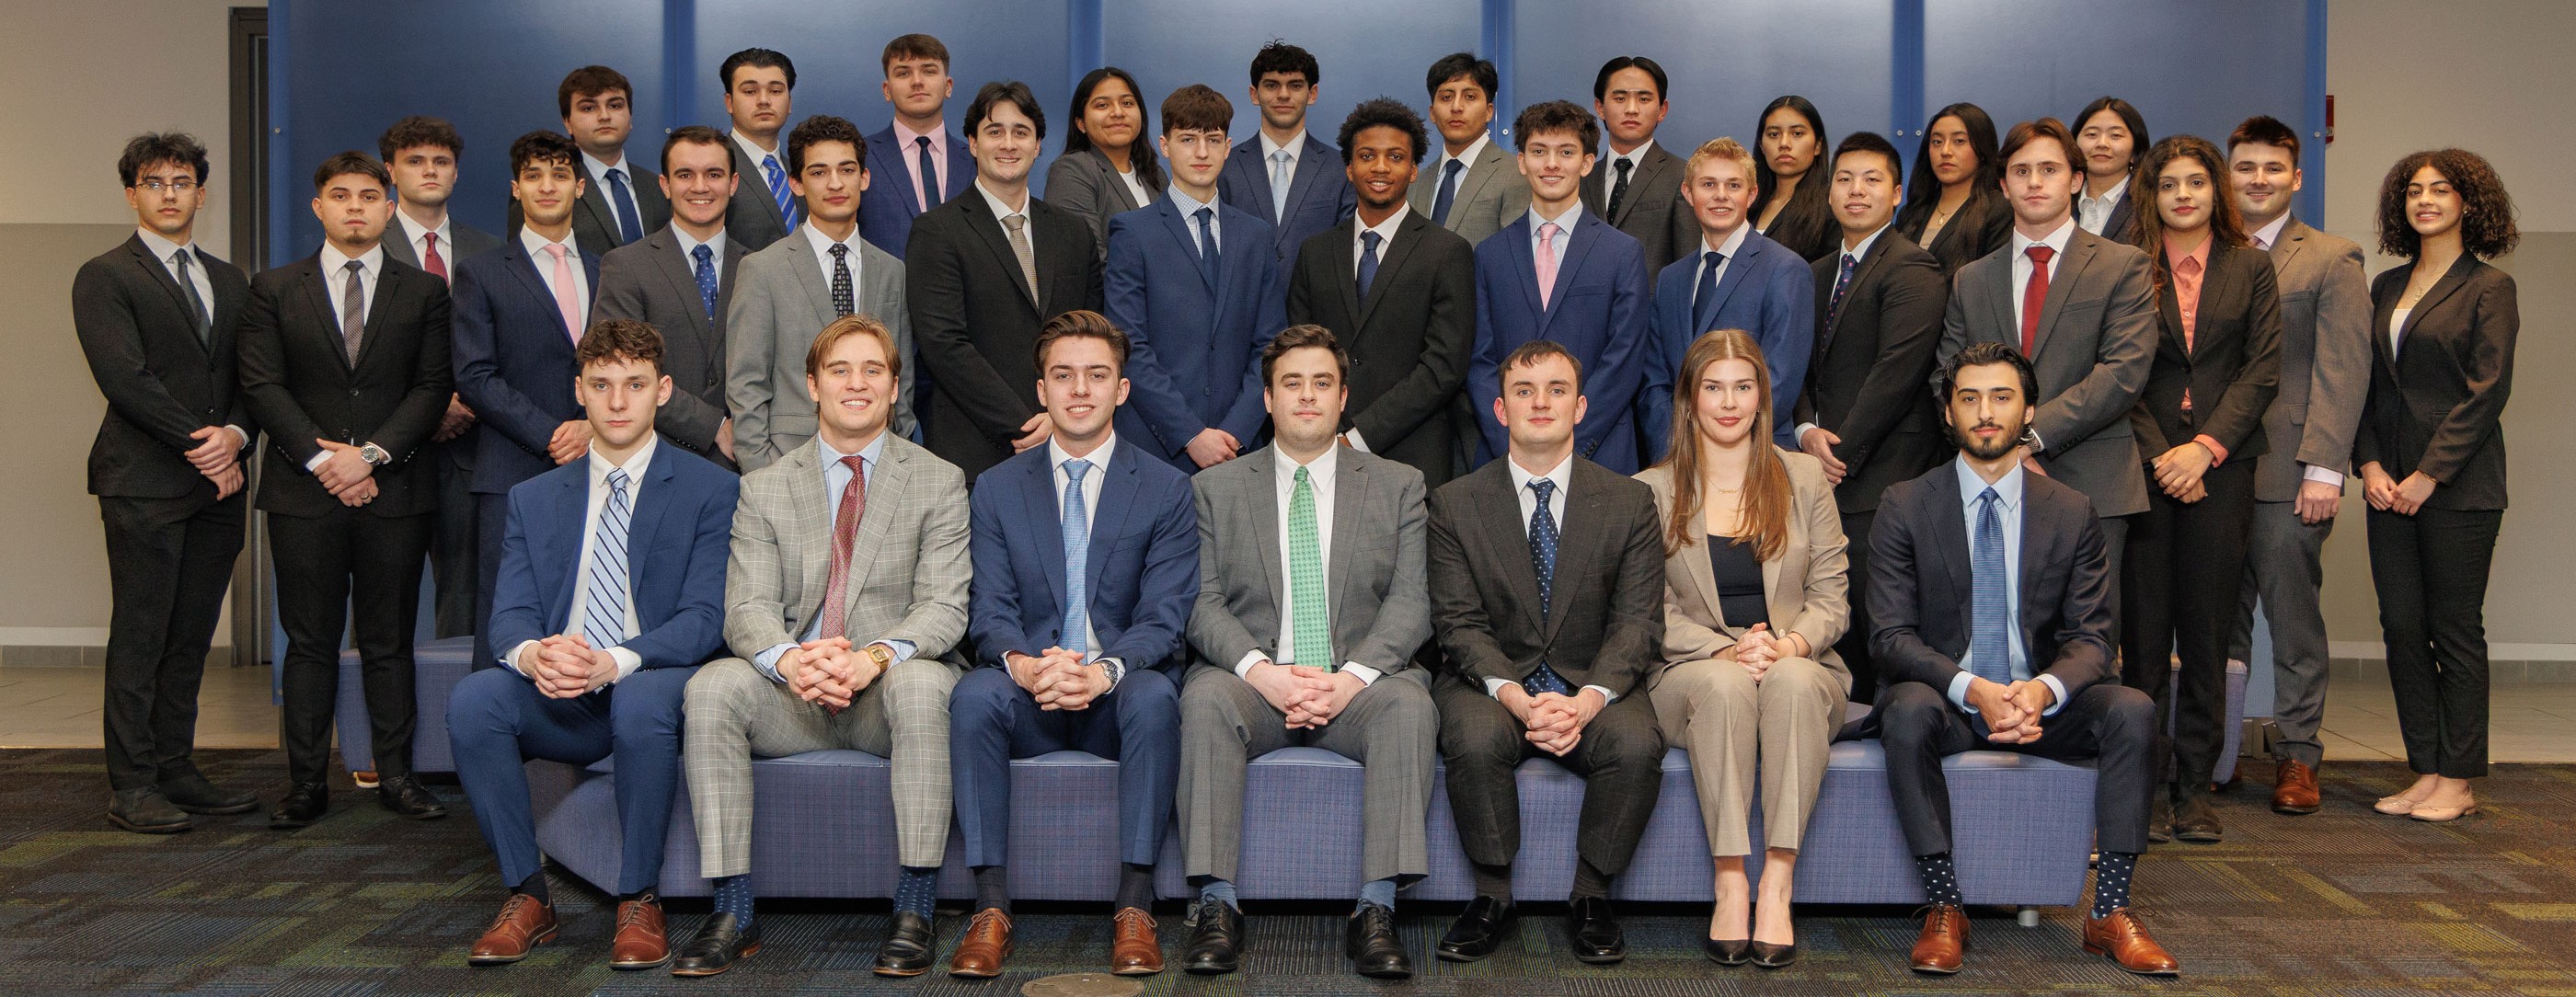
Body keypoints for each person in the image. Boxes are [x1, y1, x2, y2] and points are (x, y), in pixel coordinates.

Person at [673, 315, 972, 978]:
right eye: (839, 370)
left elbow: (945, 607)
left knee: (927, 684)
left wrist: (870, 659)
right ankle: (732, 909)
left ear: (896, 388)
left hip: (885, 695)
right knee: (711, 687)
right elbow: (746, 606)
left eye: (873, 371)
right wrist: (790, 660)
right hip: (794, 695)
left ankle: (916, 904)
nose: (856, 384)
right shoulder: (764, 487)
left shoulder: (939, 480)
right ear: (811, 385)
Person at [1871, 342, 2177, 978]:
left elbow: (2092, 639)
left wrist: (2039, 691)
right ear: (1948, 415)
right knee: (1903, 709)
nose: (1986, 413)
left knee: (2132, 709)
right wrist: (1973, 688)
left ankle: (2110, 911)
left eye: (2002, 397)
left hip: (2040, 703)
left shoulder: (2071, 511)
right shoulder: (1905, 504)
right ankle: (1944, 905)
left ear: (2028, 411)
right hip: (1950, 703)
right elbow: (1891, 637)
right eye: (1970, 398)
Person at [447, 320, 737, 971]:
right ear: (578, 390)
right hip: (564, 689)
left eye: (634, 385)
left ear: (662, 391)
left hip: (655, 679)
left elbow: (705, 618)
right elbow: (510, 616)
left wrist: (617, 659)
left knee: (636, 700)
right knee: (475, 700)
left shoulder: (711, 488)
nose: (616, 401)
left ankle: (639, 897)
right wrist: (535, 657)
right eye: (601, 385)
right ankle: (528, 895)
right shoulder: (533, 496)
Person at [1176, 325, 1437, 980]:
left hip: (1359, 688)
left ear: (1344, 396)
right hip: (1259, 684)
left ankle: (1376, 909)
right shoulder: (1217, 488)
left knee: (1409, 705)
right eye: (1292, 384)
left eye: (1322, 383)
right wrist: (1264, 676)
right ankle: (1216, 904)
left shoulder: (1399, 483)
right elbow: (1202, 605)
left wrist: (1348, 680)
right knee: (1205, 695)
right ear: (1267, 399)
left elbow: (1412, 604)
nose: (1307, 397)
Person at [949, 313, 1199, 978]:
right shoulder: (997, 487)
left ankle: (1135, 904)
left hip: (1116, 699)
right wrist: (1029, 667)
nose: (1079, 389)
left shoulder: (1169, 488)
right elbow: (990, 610)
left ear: (1122, 389)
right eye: (1063, 376)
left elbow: (1165, 616)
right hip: (1031, 692)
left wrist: (1104, 671)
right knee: (973, 694)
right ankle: (990, 905)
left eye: (1096, 375)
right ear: (1041, 390)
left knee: (1155, 695)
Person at [1428, 342, 1665, 966]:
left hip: (1592, 679)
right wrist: (1515, 696)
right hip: (1491, 682)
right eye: (1525, 391)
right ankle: (1492, 897)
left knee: (1637, 743)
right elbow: (1458, 624)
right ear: (1500, 409)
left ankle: (1591, 897)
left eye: (1557, 390)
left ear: (1580, 407)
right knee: (1474, 739)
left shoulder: (1629, 501)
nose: (1541, 403)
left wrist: (1587, 702)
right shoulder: (1455, 502)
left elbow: (1637, 623)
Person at [236, 151, 454, 829]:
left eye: (369, 195)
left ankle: (396, 775)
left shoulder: (422, 291)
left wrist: (371, 457)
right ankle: (305, 783)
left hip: (394, 491)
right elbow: (262, 384)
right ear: (318, 208)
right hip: (304, 496)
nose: (355, 206)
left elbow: (431, 386)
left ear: (389, 209)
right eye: (340, 195)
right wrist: (321, 461)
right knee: (309, 642)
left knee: (388, 641)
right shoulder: (273, 288)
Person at [1639, 328, 1849, 970]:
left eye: (1743, 386)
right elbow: (1648, 609)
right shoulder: (1650, 489)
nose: (1728, 402)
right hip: (1691, 672)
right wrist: (1723, 652)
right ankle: (1730, 879)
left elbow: (1832, 594)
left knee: (1788, 683)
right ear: (1689, 399)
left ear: (1763, 396)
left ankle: (1776, 884)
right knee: (1727, 686)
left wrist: (1788, 644)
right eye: (1713, 388)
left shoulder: (1805, 476)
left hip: (1798, 665)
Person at [75, 132, 259, 833]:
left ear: (201, 194)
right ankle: (133, 784)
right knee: (142, 633)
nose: (170, 194)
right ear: (132, 194)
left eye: (182, 182)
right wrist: (202, 445)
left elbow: (252, 378)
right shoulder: (105, 275)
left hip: (220, 487)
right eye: (154, 183)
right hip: (144, 482)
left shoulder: (230, 278)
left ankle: (176, 767)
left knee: (190, 636)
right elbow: (126, 379)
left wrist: (237, 437)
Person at [2120, 134, 2282, 844]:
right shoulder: (2127, 269)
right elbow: (2116, 372)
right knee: (2145, 637)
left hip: (2224, 468)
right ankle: (2143, 790)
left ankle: (2195, 791)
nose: (2183, 194)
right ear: (2150, 197)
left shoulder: (2252, 267)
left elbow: (2263, 369)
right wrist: (2164, 455)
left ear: (2217, 191)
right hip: (2145, 468)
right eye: (2168, 184)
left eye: (2196, 182)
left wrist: (2206, 448)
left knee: (2209, 634)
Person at [2356, 148, 2519, 823]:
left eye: (2441, 190)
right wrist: (2367, 465)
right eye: (2414, 191)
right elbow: (2367, 384)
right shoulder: (2387, 286)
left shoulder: (2490, 287)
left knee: (2454, 630)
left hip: (2458, 487)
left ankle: (2459, 778)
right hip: (2386, 484)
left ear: (2468, 203)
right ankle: (2425, 767)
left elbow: (2488, 391)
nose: (2425, 200)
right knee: (2400, 627)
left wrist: (2429, 473)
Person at [1934, 117, 2156, 598]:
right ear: (2003, 185)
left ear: (2076, 181)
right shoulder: (1971, 279)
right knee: (1995, 630)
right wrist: (1999, 448)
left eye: (2050, 170)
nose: (2035, 182)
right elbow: (1946, 379)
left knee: (2087, 642)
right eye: (2021, 171)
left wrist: (2028, 439)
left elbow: (2123, 374)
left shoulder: (2123, 266)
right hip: (1987, 480)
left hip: (2093, 480)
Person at [2220, 115, 2371, 817]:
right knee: (2220, 618)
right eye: (2246, 167)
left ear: (2296, 176)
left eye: (2272, 169)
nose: (2258, 180)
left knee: (2292, 618)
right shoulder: (2210, 251)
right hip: (2215, 469)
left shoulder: (2332, 258)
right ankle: (2218, 753)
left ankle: (2299, 755)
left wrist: (2325, 469)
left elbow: (2344, 370)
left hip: (2290, 470)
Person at [1792, 132, 1949, 704]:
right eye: (1844, 178)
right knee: (1824, 614)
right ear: (1829, 190)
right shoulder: (1812, 272)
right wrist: (1806, 430)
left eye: (1872, 179)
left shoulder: (1914, 267)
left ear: (1898, 193)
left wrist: (1840, 450)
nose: (1856, 191)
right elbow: (1793, 366)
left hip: (1882, 473)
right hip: (1817, 470)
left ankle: (1885, 733)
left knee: (1873, 614)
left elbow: (1897, 371)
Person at [454, 131, 602, 675]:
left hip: (599, 464)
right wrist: (552, 432)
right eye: (534, 176)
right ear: (516, 189)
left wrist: (592, 426)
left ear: (580, 187)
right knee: (507, 615)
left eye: (560, 175)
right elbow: (474, 375)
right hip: (511, 468)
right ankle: (491, 740)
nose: (547, 186)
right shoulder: (482, 272)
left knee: (591, 609)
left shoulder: (610, 268)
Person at [909, 80, 1106, 480]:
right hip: (975, 448)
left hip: (1070, 441)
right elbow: (944, 344)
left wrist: (1060, 415)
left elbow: (1092, 333)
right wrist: (1027, 422)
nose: (1008, 144)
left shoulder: (1073, 232)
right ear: (972, 143)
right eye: (994, 131)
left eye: (1021, 132)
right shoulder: (937, 231)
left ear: (1038, 146)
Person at [1283, 98, 1476, 487]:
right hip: (1321, 451)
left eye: (1396, 156)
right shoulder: (1315, 252)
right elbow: (1297, 355)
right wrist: (1328, 433)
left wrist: (1359, 435)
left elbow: (1444, 367)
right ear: (1350, 169)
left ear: (1415, 169)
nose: (1381, 167)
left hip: (1414, 455)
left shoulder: (1448, 252)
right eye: (1368, 156)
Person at [1103, 84, 1286, 474]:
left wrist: (1234, 431)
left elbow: (1270, 345)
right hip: (1156, 449)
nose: (1202, 153)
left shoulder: (1256, 235)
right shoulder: (1133, 232)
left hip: (1242, 448)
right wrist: (1190, 435)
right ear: (1165, 146)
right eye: (1188, 139)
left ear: (1228, 146)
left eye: (1212, 140)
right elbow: (1128, 345)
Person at [1466, 100, 1650, 473]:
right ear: (1521, 161)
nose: (1551, 164)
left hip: (1599, 454)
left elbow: (1624, 360)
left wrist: (1568, 446)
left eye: (1565, 152)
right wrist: (1513, 443)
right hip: (1506, 457)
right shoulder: (1489, 254)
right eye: (1539, 152)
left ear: (1586, 163)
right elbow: (1478, 360)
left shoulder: (1622, 252)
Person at [727, 114, 915, 471]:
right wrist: (764, 473)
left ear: (864, 178)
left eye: (846, 170)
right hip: (789, 462)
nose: (835, 183)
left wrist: (898, 452)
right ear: (796, 183)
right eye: (818, 172)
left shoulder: (893, 270)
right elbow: (745, 385)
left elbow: (900, 380)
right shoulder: (762, 270)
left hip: (881, 465)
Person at [379, 115, 499, 643]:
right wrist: (427, 408)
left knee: (467, 599)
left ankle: (460, 716)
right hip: (389, 446)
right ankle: (376, 724)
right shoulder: (364, 244)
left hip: (470, 445)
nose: (429, 171)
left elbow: (504, 343)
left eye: (441, 162)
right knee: (383, 597)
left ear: (456, 173)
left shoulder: (490, 249)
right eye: (415, 161)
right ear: (390, 171)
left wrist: (465, 400)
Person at [1639, 137, 1815, 460]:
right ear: (1688, 193)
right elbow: (1655, 381)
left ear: (1751, 195)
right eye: (1708, 184)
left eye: (1733, 185)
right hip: (1677, 459)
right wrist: (1676, 448)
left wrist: (1720, 453)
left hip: (1756, 461)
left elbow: (1781, 382)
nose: (1721, 195)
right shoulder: (1670, 279)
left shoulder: (1786, 270)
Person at [595, 127, 743, 470]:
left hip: (748, 465)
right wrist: (715, 426)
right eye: (685, 175)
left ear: (733, 184)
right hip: (656, 461)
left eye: (714, 174)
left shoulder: (760, 267)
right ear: (665, 185)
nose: (700, 187)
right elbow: (622, 371)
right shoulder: (627, 266)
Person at [506, 66, 671, 257]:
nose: (604, 116)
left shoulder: (657, 187)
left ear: (630, 117)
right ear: (567, 122)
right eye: (589, 108)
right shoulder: (547, 187)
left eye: (615, 105)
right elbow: (520, 264)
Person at [1219, 41, 1356, 265]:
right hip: (1244, 299)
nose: (1283, 95)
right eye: (1272, 85)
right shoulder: (1225, 165)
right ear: (1254, 94)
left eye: (1295, 85)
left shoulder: (1341, 169)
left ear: (1312, 94)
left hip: (1316, 299)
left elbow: (1347, 254)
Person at [859, 33, 976, 260]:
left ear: (948, 86)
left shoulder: (976, 159)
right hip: (889, 294)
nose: (917, 81)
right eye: (903, 73)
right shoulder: (860, 156)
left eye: (929, 71)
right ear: (887, 90)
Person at [1583, 55, 1701, 278]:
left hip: (1652, 310)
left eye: (1644, 99)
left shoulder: (1682, 177)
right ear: (1599, 107)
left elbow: (1689, 267)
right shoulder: (1582, 178)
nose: (1631, 109)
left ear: (1662, 110)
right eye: (1619, 98)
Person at [1408, 52, 1526, 248]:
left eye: (1470, 96)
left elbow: (1514, 259)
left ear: (1489, 111)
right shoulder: (1417, 182)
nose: (1456, 107)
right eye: (1446, 97)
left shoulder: (1515, 174)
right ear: (1432, 113)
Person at [1046, 66, 1165, 257]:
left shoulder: (1155, 175)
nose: (1118, 112)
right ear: (1081, 123)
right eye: (1102, 105)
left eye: (1127, 103)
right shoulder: (1073, 170)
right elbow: (1086, 260)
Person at [1892, 102, 2011, 274]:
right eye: (1937, 142)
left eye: (1959, 141)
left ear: (1982, 150)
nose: (1945, 151)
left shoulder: (1999, 210)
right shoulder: (1911, 212)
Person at [717, 48, 797, 251]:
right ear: (729, 103)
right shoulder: (713, 169)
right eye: (750, 91)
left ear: (789, 103)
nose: (763, 100)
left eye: (776, 91)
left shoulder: (799, 171)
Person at [1750, 96, 1836, 262]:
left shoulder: (1831, 207)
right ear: (1761, 145)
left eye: (1797, 133)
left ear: (1817, 145)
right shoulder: (1748, 203)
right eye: (1774, 134)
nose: (1784, 143)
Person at [2073, 97, 2148, 240]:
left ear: (2135, 150)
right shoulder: (2059, 198)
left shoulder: (2148, 202)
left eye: (2115, 135)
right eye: (2092, 134)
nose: (2102, 144)